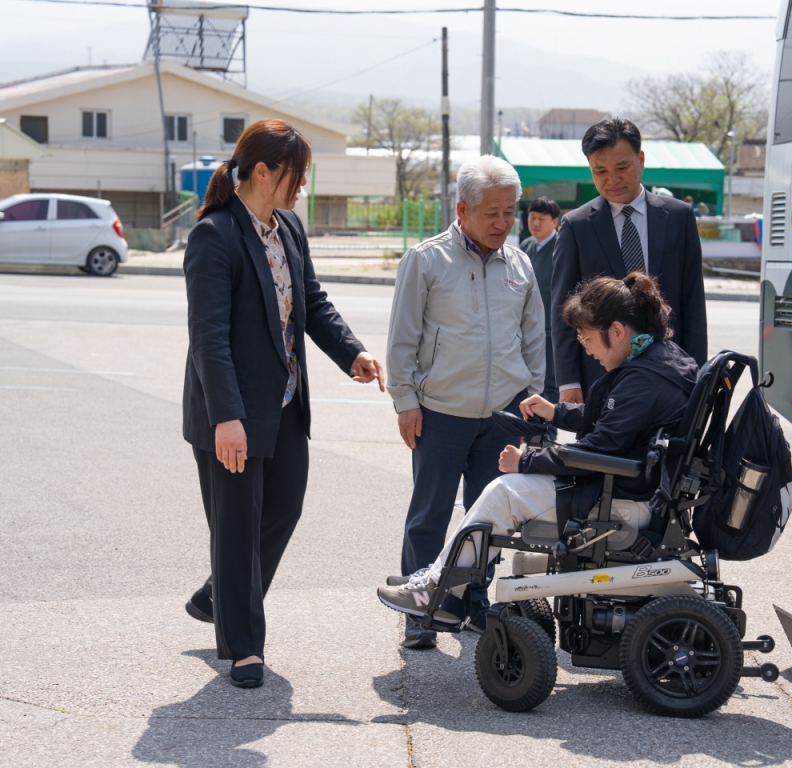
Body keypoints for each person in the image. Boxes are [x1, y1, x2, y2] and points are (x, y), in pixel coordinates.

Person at [182, 119, 384, 689]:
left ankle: (220, 593)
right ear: (264, 170)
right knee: (237, 525)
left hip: (287, 404)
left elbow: (311, 303)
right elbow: (210, 337)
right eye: (296, 176)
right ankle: (244, 646)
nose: (301, 188)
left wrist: (353, 353)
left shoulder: (288, 227)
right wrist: (226, 417)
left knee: (283, 510)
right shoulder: (215, 236)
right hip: (233, 413)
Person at [377, 273, 698, 621]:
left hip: (624, 494)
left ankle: (439, 592)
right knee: (507, 490)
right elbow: (613, 422)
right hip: (637, 486)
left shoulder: (644, 380)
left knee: (504, 491)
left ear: (618, 331)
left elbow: (600, 448)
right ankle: (443, 582)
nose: (586, 349)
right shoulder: (663, 356)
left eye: (587, 338)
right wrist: (556, 411)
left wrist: (526, 460)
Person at [386, 155, 546, 649]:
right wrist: (405, 400)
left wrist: (532, 400)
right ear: (462, 209)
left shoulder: (519, 262)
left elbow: (534, 338)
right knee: (429, 514)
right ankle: (420, 612)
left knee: (487, 520)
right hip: (439, 412)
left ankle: (473, 604)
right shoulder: (426, 260)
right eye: (490, 213)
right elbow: (402, 339)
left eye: (509, 212)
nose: (502, 223)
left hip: (502, 415)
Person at [552, 118, 707, 406]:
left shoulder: (679, 217)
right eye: (600, 171)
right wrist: (569, 381)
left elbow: (693, 303)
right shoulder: (576, 226)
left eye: (622, 168)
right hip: (600, 378)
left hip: (670, 374)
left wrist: (699, 377)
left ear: (641, 159)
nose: (612, 180)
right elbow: (563, 309)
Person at [518, 196, 562, 439]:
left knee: (549, 385)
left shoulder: (561, 247)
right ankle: (529, 430)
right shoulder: (525, 247)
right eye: (531, 217)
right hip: (525, 330)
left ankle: (546, 435)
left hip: (551, 332)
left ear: (555, 221)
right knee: (526, 383)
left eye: (541, 218)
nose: (535, 222)